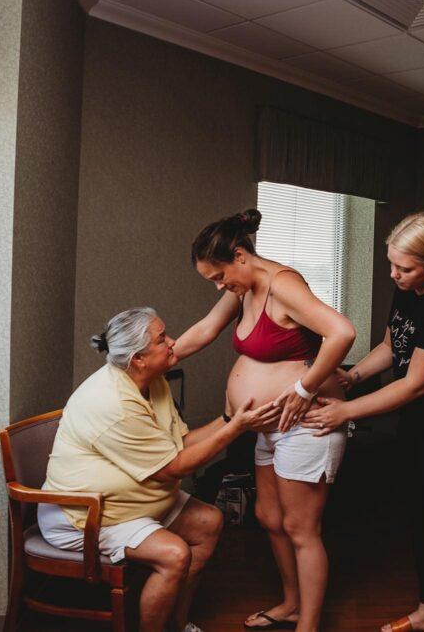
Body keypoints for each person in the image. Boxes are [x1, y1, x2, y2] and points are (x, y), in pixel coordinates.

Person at [39, 307, 280, 632]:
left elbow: (181, 441)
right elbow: (173, 467)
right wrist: (236, 429)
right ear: (138, 358)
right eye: (161, 338)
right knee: (174, 555)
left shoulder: (152, 380)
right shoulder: (114, 403)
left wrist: (226, 419)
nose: (173, 342)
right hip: (83, 515)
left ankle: (176, 625)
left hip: (130, 505)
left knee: (209, 523)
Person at [304, 207, 424, 632]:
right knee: (422, 523)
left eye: (403, 267)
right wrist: (354, 377)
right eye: (391, 263)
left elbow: (415, 384)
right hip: (419, 426)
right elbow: (394, 342)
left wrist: (343, 411)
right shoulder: (409, 289)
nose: (393, 274)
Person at [173, 209, 356, 632]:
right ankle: (292, 603)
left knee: (300, 527)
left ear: (239, 256)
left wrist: (304, 389)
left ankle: (308, 624)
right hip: (269, 427)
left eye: (219, 276)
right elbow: (205, 329)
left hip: (307, 423)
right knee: (270, 518)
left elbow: (341, 332)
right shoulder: (243, 285)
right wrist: (158, 359)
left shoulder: (283, 284)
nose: (219, 286)